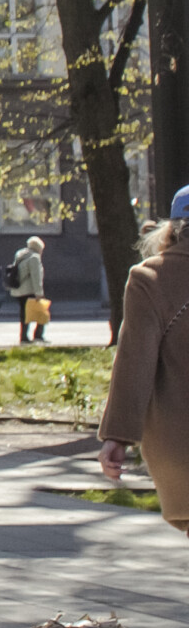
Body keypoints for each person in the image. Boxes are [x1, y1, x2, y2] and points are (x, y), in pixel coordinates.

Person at [100, 186, 189, 539]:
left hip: (179, 444)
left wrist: (117, 436)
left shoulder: (150, 278)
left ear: (172, 228)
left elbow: (135, 362)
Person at [13, 236, 48, 344]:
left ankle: (23, 337)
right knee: (41, 312)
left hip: (19, 291)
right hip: (30, 291)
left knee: (24, 314)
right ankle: (38, 335)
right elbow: (36, 277)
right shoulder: (34, 258)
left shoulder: (20, 255)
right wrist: (39, 293)